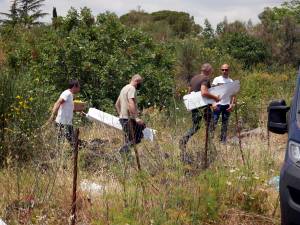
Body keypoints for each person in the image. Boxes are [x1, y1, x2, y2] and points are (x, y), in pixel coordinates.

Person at [179, 63, 220, 162]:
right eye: (211, 71)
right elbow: (204, 92)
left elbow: (189, 93)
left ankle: (184, 139)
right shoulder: (205, 79)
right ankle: (209, 146)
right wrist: (215, 98)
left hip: (194, 106)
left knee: (196, 126)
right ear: (208, 70)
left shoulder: (193, 78)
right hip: (203, 107)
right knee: (210, 125)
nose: (211, 73)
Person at [115, 74, 145, 154]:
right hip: (129, 119)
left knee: (128, 140)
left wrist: (120, 115)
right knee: (138, 137)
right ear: (137, 81)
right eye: (140, 83)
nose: (140, 85)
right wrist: (136, 118)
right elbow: (131, 102)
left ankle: (125, 158)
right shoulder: (132, 88)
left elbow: (117, 104)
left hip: (123, 118)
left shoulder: (124, 88)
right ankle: (121, 151)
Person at [49, 79, 81, 146]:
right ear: (74, 86)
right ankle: (61, 155)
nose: (79, 88)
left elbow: (67, 107)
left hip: (67, 123)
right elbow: (58, 102)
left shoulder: (70, 94)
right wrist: (52, 115)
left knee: (70, 142)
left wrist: (78, 110)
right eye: (78, 86)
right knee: (70, 142)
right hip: (63, 123)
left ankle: (66, 154)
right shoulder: (67, 93)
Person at [211, 64, 236, 143]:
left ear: (229, 70)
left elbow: (233, 94)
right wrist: (213, 103)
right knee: (214, 122)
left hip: (226, 105)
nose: (224, 71)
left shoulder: (231, 81)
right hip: (217, 105)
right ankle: (210, 141)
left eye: (226, 70)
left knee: (225, 124)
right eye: (223, 69)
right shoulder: (217, 79)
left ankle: (223, 141)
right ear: (221, 70)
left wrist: (232, 104)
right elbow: (211, 91)